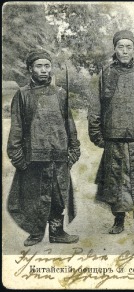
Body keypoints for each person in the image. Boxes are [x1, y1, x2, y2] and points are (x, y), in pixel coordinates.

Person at [88, 30, 134, 238]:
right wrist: (96, 132)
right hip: (113, 137)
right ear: (115, 48)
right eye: (121, 47)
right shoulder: (105, 73)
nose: (125, 51)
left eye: (129, 47)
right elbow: (95, 106)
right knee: (115, 182)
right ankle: (118, 220)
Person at [7, 49, 80, 246]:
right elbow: (16, 128)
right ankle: (36, 232)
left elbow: (69, 125)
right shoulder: (22, 95)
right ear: (30, 69)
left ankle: (57, 232)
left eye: (47, 66)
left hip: (59, 155)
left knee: (58, 195)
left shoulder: (60, 94)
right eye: (39, 66)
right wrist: (17, 156)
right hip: (34, 157)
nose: (44, 70)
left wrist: (73, 150)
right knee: (34, 196)